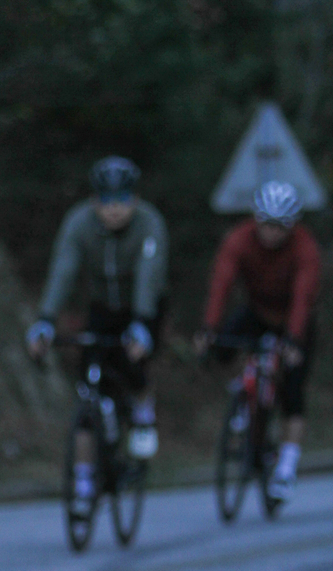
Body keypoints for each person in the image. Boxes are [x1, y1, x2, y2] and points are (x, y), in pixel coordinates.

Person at [25, 157, 169, 513]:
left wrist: (142, 322)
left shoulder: (149, 223)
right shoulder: (79, 222)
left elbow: (149, 272)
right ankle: (85, 479)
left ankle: (143, 411)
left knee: (135, 364)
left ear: (135, 200)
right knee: (89, 392)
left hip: (144, 305)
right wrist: (46, 318)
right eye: (106, 201)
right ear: (95, 201)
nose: (114, 209)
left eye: (122, 200)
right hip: (103, 307)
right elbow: (64, 268)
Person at [196, 180, 321, 503]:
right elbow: (221, 283)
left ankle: (286, 467)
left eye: (280, 227)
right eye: (266, 224)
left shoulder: (304, 248)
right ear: (256, 219)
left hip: (293, 318)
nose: (272, 233)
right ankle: (244, 391)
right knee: (221, 346)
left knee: (293, 390)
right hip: (257, 311)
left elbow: (303, 296)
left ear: (291, 226)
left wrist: (293, 340)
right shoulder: (239, 240)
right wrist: (209, 328)